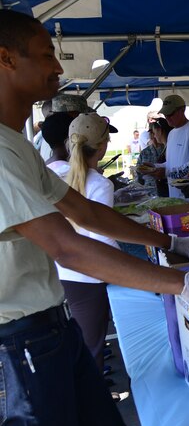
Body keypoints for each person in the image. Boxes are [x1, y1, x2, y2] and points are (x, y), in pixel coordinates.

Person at [0, 9, 189, 426]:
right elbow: (67, 244)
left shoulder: (15, 145)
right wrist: (184, 283)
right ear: (5, 59)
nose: (57, 64)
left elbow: (83, 210)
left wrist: (169, 244)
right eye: (46, 53)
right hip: (22, 340)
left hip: (53, 328)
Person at [47, 113, 121, 373]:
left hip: (59, 270)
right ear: (102, 147)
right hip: (89, 277)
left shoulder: (53, 172)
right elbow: (104, 242)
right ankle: (91, 408)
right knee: (92, 349)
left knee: (79, 346)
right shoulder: (100, 184)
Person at [158, 94, 189, 198]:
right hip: (173, 194)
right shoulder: (172, 133)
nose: (167, 118)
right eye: (165, 114)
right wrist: (155, 167)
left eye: (170, 114)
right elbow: (172, 162)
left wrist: (166, 172)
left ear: (182, 110)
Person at [136, 117, 171, 197]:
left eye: (153, 132)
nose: (152, 135)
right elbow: (138, 173)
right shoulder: (144, 153)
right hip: (149, 192)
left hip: (166, 190)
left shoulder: (167, 148)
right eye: (150, 132)